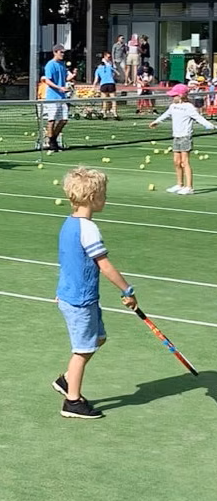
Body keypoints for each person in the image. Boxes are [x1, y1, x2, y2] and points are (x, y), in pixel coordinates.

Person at [53, 167, 138, 418]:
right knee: (83, 350)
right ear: (93, 198)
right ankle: (72, 401)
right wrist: (127, 289)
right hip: (79, 300)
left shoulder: (68, 224)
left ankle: (67, 380)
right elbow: (105, 265)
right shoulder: (88, 229)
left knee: (98, 338)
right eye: (103, 194)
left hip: (79, 296)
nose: (106, 198)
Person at [149, 83, 215, 195]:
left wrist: (208, 124)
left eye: (174, 95)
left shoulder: (189, 107)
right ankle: (179, 184)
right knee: (176, 162)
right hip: (176, 137)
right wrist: (156, 122)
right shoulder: (172, 106)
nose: (172, 97)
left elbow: (199, 118)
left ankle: (189, 187)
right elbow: (166, 115)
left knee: (185, 162)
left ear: (181, 95)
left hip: (185, 137)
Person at [43, 44, 74, 152]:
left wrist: (73, 75)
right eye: (61, 52)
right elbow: (47, 80)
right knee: (51, 120)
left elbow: (66, 77)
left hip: (62, 97)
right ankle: (51, 142)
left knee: (64, 120)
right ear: (55, 52)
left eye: (64, 52)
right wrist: (59, 87)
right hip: (52, 97)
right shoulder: (50, 65)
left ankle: (52, 139)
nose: (63, 54)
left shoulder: (62, 64)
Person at [92, 52, 118, 119]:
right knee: (113, 99)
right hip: (111, 83)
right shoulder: (109, 67)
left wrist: (93, 87)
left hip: (103, 84)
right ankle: (115, 113)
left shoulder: (98, 70)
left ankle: (104, 114)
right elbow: (118, 73)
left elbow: (96, 80)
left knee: (104, 100)